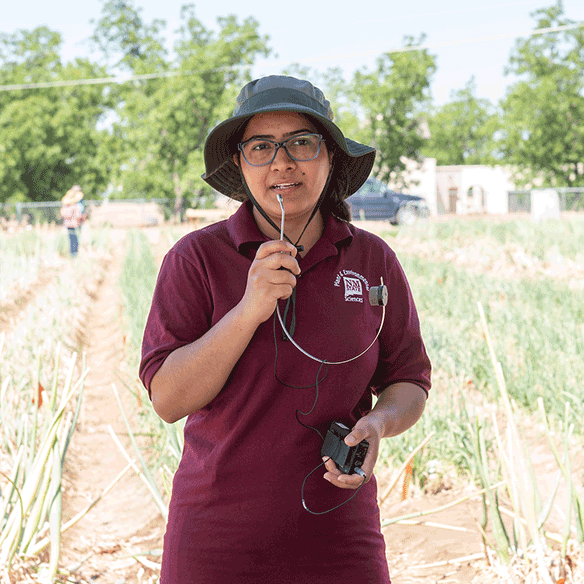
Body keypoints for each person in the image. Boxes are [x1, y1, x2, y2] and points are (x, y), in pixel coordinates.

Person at [140, 75, 431, 584]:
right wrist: (249, 308)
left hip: (342, 541)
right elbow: (167, 399)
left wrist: (380, 424)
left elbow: (409, 380)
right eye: (260, 147)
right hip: (216, 543)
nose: (282, 162)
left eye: (301, 143)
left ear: (331, 157)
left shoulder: (371, 260)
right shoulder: (195, 260)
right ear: (240, 163)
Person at [60, 185, 86, 257]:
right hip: (75, 224)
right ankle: (74, 254)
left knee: (72, 239)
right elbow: (79, 214)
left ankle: (73, 254)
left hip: (69, 223)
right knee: (75, 239)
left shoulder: (67, 203)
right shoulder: (76, 204)